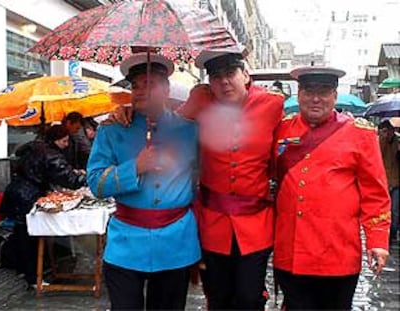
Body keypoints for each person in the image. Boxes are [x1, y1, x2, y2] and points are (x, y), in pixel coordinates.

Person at [115, 51, 285, 309]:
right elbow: (166, 121)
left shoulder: (272, 104)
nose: (224, 82)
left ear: (246, 75)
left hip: (256, 223)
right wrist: (132, 110)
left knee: (250, 296)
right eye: (216, 77)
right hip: (212, 221)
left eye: (230, 74)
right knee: (217, 296)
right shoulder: (201, 99)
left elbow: (291, 138)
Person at [86, 52, 201, 310]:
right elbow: (96, 184)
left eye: (149, 84)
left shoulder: (190, 130)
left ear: (167, 88)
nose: (139, 91)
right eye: (135, 86)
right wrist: (134, 168)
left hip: (176, 243)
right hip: (125, 244)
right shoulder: (112, 130)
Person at [273, 66, 391, 310]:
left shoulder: (360, 134)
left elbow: (375, 194)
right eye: (309, 91)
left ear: (335, 96)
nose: (316, 98)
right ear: (299, 94)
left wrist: (377, 241)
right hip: (292, 250)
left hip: (337, 252)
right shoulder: (281, 129)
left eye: (324, 91)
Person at [0, 124, 86, 286]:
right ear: (56, 140)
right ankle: (32, 277)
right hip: (27, 196)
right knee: (28, 236)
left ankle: (24, 270)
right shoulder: (51, 155)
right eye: (65, 141)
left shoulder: (36, 147)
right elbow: (71, 180)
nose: (67, 144)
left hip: (17, 192)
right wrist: (88, 177)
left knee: (22, 234)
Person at [378, 119, 399, 243]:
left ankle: (393, 233)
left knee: (395, 210)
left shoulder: (398, 141)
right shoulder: (381, 141)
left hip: (396, 181)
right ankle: (385, 232)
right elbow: (377, 156)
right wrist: (383, 140)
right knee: (384, 209)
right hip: (384, 181)